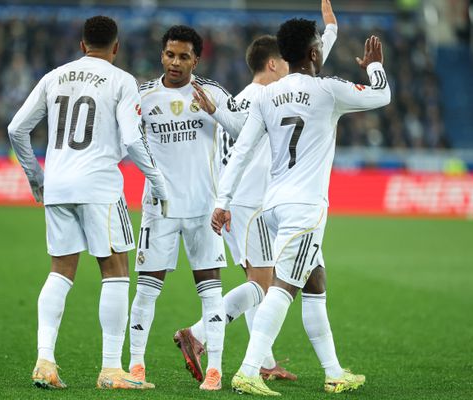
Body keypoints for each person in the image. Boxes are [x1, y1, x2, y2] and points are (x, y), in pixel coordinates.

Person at [213, 19, 391, 396]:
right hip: (304, 208)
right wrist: (375, 65)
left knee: (315, 279)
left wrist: (222, 201)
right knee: (283, 288)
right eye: (320, 46)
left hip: (272, 206)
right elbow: (382, 95)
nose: (322, 50)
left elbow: (241, 151)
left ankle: (334, 372)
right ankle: (248, 371)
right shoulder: (328, 89)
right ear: (313, 53)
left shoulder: (266, 95)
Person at [175, 0, 340, 383]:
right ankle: (197, 334)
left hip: (247, 203)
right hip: (249, 205)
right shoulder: (258, 98)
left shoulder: (259, 95)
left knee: (266, 283)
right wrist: (217, 113)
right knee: (264, 284)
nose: (294, 67)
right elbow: (241, 132)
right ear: (273, 64)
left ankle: (263, 362)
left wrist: (330, 33)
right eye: (286, 62)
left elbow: (309, 70)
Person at [7, 15, 167, 390]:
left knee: (60, 271)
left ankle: (45, 361)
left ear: (82, 45)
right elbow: (132, 139)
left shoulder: (54, 76)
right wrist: (158, 181)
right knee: (116, 271)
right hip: (99, 187)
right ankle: (111, 370)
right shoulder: (121, 80)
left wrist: (36, 177)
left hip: (58, 185)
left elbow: (16, 128)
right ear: (116, 47)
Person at [127, 25, 245, 391]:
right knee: (146, 290)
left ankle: (215, 371)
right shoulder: (144, 96)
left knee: (210, 291)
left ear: (196, 60)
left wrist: (216, 112)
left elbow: (245, 132)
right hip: (158, 208)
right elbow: (125, 140)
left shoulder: (212, 92)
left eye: (183, 57)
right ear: (161, 55)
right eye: (170, 55)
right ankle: (135, 366)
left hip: (203, 209)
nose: (175, 62)